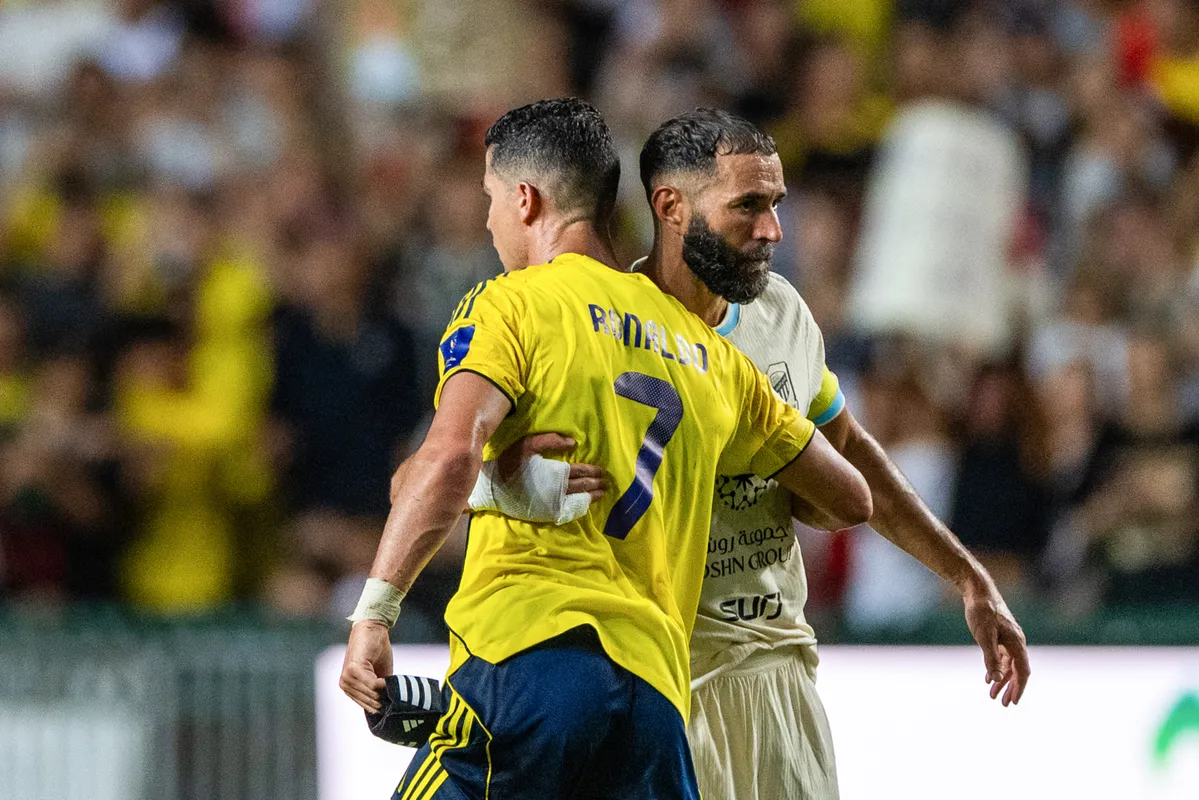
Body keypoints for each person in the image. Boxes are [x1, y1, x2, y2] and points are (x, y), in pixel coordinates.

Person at [479, 108, 1031, 800]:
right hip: (656, 683)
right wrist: (500, 477)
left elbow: (852, 451)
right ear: (671, 207)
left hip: (776, 676)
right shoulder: (599, 325)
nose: (772, 230)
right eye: (749, 206)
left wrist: (968, 578)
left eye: (775, 205)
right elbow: (483, 464)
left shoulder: (781, 314)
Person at [337, 98, 872, 800]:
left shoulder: (514, 305)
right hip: (651, 704)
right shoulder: (707, 352)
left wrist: (376, 614)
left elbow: (439, 464)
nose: (490, 219)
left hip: (526, 662)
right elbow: (850, 497)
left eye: (492, 199)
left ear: (525, 199)